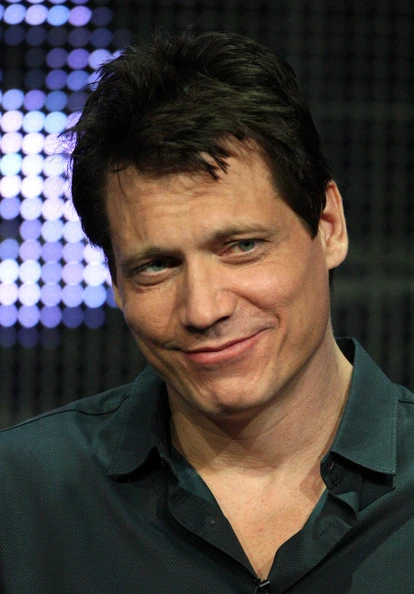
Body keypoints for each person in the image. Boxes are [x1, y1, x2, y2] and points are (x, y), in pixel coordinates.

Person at [0, 30, 413, 594]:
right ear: (116, 282)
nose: (202, 309)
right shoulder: (19, 500)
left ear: (328, 227)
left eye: (241, 246)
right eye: (156, 266)